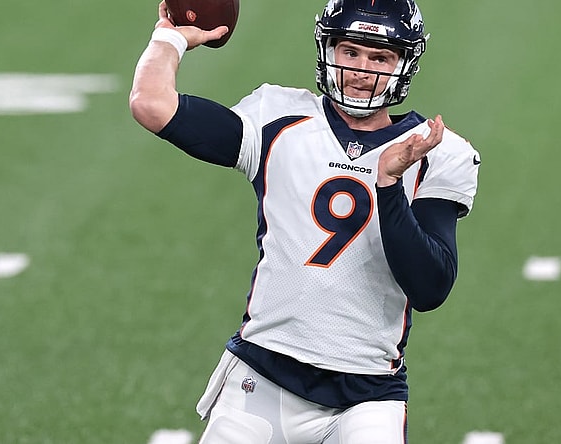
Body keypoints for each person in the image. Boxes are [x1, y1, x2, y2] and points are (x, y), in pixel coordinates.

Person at [130, 0, 480, 442]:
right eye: (350, 51)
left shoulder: (437, 151)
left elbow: (431, 287)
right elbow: (151, 103)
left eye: (379, 57)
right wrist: (170, 38)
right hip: (263, 373)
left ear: (404, 63)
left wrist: (389, 185)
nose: (361, 69)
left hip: (367, 394)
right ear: (327, 50)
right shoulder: (277, 117)